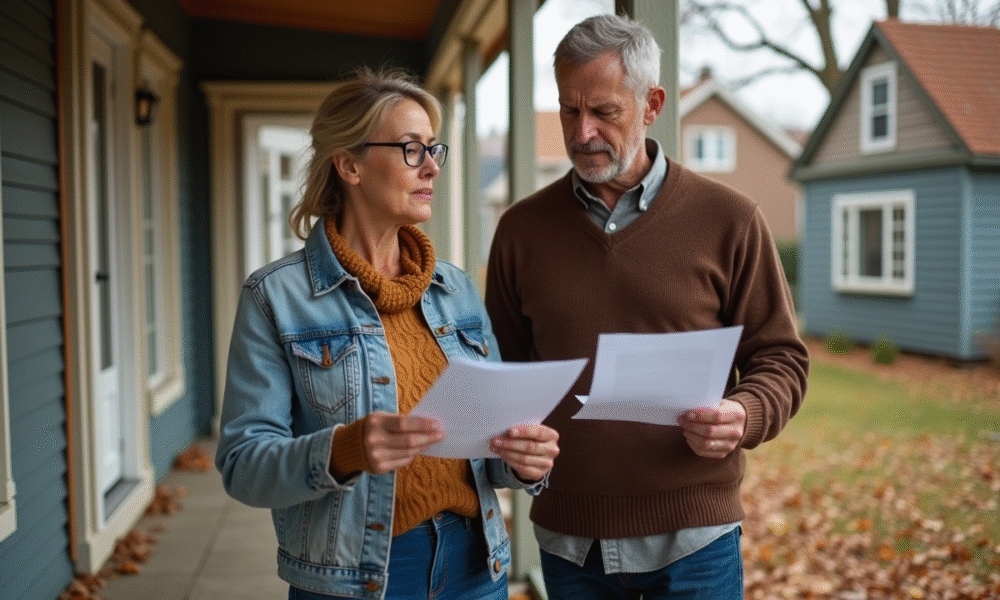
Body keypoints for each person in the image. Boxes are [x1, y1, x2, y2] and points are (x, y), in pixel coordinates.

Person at [485, 14, 809, 600]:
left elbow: (781, 357)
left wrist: (746, 413)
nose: (582, 132)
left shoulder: (731, 220)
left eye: (604, 112)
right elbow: (501, 379)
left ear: (652, 103)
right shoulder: (520, 230)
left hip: (695, 544)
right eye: (568, 110)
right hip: (567, 543)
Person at [216, 67, 560, 600]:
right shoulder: (275, 298)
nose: (431, 167)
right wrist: (345, 449)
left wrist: (521, 460)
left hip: (476, 564)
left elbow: (489, 455)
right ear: (349, 164)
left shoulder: (458, 290)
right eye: (410, 149)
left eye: (433, 149)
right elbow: (243, 465)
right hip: (358, 578)